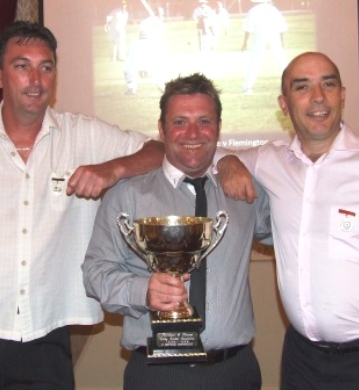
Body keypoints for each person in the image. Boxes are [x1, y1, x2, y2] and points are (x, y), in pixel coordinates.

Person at [0, 21, 164, 389]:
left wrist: (114, 169)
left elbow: (159, 152)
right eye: (22, 66)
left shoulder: (85, 135)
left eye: (46, 67)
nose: (36, 79)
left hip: (45, 332)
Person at [216, 52, 359, 389]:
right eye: (303, 87)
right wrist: (229, 164)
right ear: (284, 104)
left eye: (328, 84)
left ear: (342, 93)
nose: (318, 97)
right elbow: (210, 155)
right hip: (304, 362)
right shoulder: (270, 160)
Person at [82, 73, 271, 389]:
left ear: (219, 127)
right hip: (157, 373)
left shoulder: (245, 192)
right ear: (161, 128)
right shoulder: (127, 196)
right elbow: (95, 273)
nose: (193, 133)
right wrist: (143, 291)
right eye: (180, 122)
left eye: (204, 121)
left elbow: (299, 239)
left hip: (233, 371)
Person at [241, 0, 288, 95]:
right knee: (281, 60)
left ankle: (248, 87)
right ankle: (293, 82)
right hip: (274, 35)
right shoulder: (273, 9)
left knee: (255, 61)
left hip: (260, 35)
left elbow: (248, 28)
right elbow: (281, 26)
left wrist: (245, 42)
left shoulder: (253, 10)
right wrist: (282, 42)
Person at [123, 6, 166, 95]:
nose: (162, 16)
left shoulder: (160, 24)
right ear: (156, 13)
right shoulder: (148, 22)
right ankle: (131, 88)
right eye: (161, 14)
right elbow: (143, 27)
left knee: (158, 66)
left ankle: (161, 86)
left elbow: (158, 34)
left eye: (163, 14)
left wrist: (157, 23)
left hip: (151, 45)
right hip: (141, 44)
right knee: (129, 68)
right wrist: (155, 21)